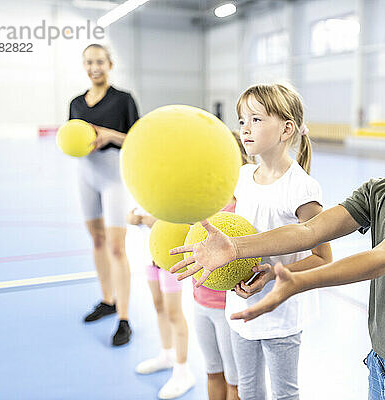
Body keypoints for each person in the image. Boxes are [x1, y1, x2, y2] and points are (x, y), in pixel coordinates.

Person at [170, 69, 385, 399]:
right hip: (383, 363)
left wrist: (300, 281)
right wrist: (235, 247)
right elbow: (309, 230)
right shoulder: (380, 191)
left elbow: (383, 258)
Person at [182, 83, 332, 400]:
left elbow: (323, 257)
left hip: (280, 310)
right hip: (240, 304)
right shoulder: (242, 178)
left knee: (283, 393)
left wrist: (272, 276)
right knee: (248, 389)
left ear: (286, 129)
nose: (245, 129)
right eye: (242, 120)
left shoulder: (303, 189)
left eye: (256, 119)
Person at [69, 43, 139, 346]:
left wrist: (109, 135)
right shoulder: (75, 102)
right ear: (84, 66)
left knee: (116, 248)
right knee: (96, 240)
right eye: (89, 62)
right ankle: (107, 300)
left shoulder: (123, 100)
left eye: (99, 61)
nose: (94, 67)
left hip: (113, 177)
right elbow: (71, 136)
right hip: (85, 174)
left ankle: (124, 318)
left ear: (109, 64)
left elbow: (137, 140)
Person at [191, 131, 250, 400]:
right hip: (200, 303)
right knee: (212, 372)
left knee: (235, 383)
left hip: (228, 308)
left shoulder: (243, 208)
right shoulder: (200, 204)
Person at [126, 210, 195, 399]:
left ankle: (183, 370)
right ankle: (167, 354)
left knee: (174, 312)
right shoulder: (145, 190)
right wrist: (133, 218)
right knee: (159, 306)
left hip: (169, 257)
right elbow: (133, 213)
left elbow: (188, 219)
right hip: (149, 254)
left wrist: (160, 221)